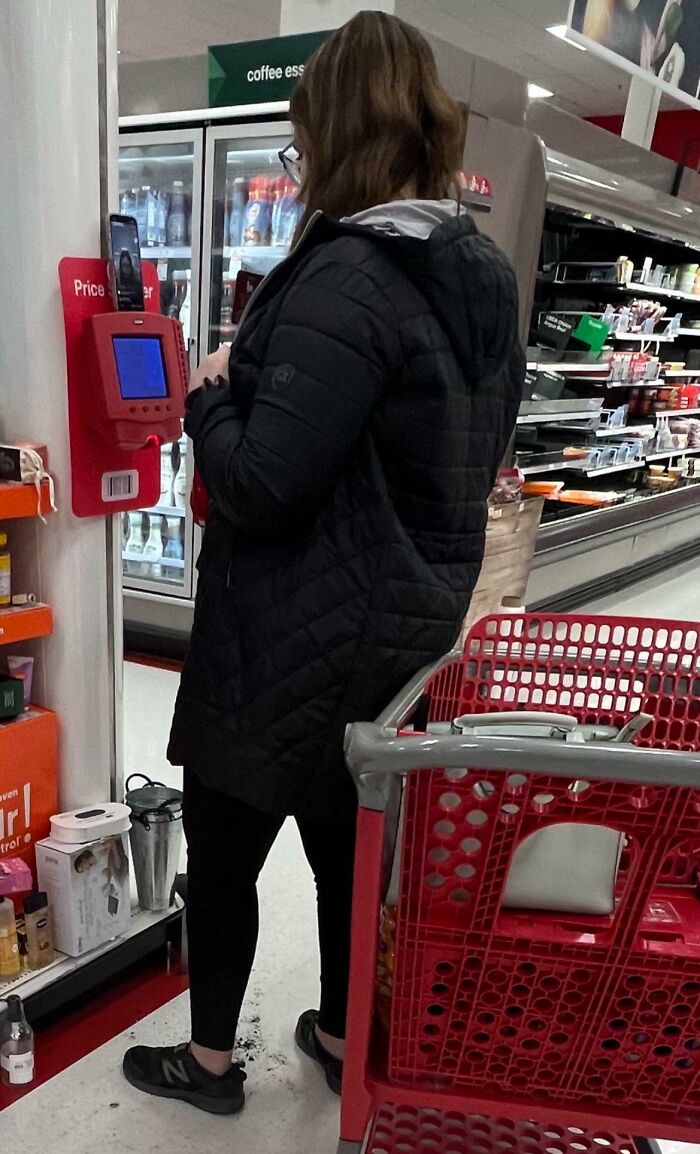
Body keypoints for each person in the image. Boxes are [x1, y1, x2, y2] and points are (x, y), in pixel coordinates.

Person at [123, 10, 522, 1116]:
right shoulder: (477, 275)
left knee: (225, 850)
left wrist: (208, 395)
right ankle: (345, 1033)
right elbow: (456, 457)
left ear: (334, 135)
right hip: (403, 632)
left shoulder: (344, 278)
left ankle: (206, 1066)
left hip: (292, 630)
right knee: (350, 851)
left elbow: (257, 479)